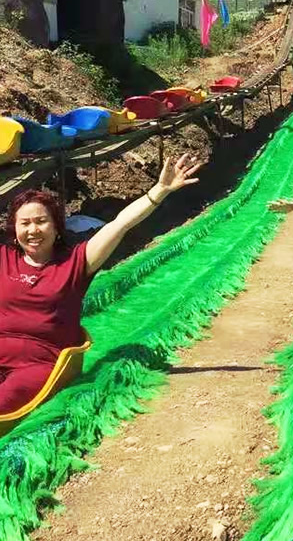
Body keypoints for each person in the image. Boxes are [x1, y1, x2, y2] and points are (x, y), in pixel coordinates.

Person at [0, 154, 202, 414]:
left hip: (39, 363)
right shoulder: (4, 258)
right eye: (24, 223)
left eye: (41, 221)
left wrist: (159, 190)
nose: (33, 230)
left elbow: (120, 224)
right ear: (14, 230)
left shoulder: (75, 263)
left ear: (57, 227)